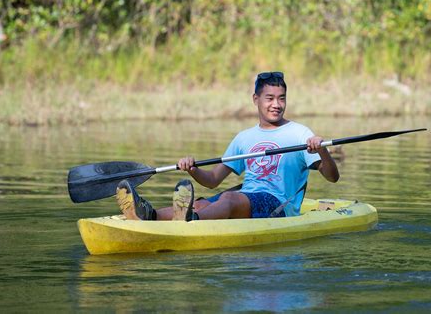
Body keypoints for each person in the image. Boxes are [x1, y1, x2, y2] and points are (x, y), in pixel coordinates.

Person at [116, 71, 339, 221]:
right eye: (270, 98)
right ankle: (150, 216)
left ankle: (191, 222)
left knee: (229, 199)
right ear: (256, 99)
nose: (276, 105)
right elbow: (213, 180)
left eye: (282, 98)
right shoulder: (244, 138)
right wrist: (192, 169)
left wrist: (322, 150)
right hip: (247, 196)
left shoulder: (300, 133)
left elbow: (332, 177)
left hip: (278, 206)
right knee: (202, 203)